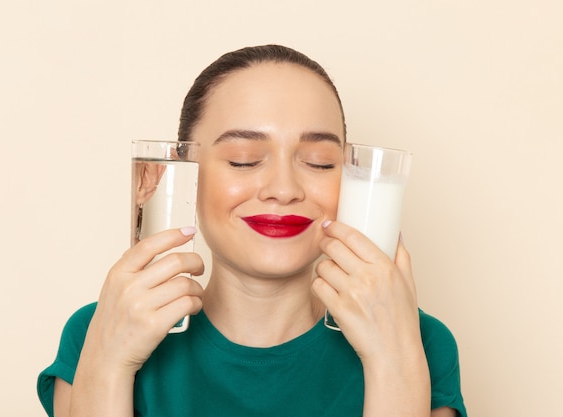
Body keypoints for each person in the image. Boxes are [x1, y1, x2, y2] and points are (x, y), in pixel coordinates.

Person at [37, 44, 467, 417]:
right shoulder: (98, 330)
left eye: (319, 162)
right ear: (187, 171)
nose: (284, 190)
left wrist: (394, 358)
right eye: (243, 159)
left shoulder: (421, 341)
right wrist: (109, 364)